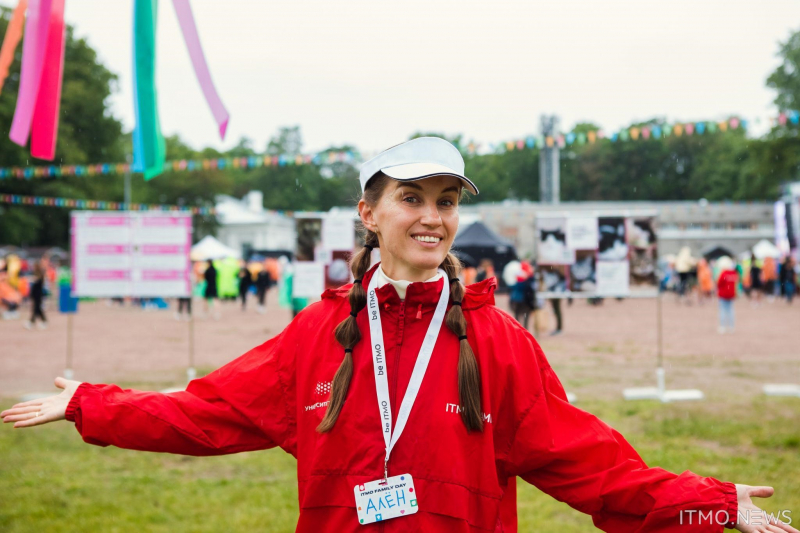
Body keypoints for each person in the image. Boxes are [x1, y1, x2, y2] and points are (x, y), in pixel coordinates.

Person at [2, 138, 795, 533]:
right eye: (412, 197)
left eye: (446, 200)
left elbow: (592, 466)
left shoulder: (498, 341)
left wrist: (710, 504)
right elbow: (205, 413)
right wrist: (91, 404)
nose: (433, 217)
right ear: (369, 212)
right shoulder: (319, 333)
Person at [717, 256, 739, 334]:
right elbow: (736, 283)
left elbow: (719, 283)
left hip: (723, 294)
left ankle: (722, 327)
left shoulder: (724, 273)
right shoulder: (734, 273)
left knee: (723, 310)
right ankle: (731, 327)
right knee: (731, 310)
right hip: (731, 294)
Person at [24, 262, 47, 330]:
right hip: (35, 294)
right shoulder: (36, 275)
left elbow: (38, 285)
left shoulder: (40, 276)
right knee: (37, 309)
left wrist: (33, 280)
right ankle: (42, 321)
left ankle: (32, 322)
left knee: (36, 308)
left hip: (38, 295)